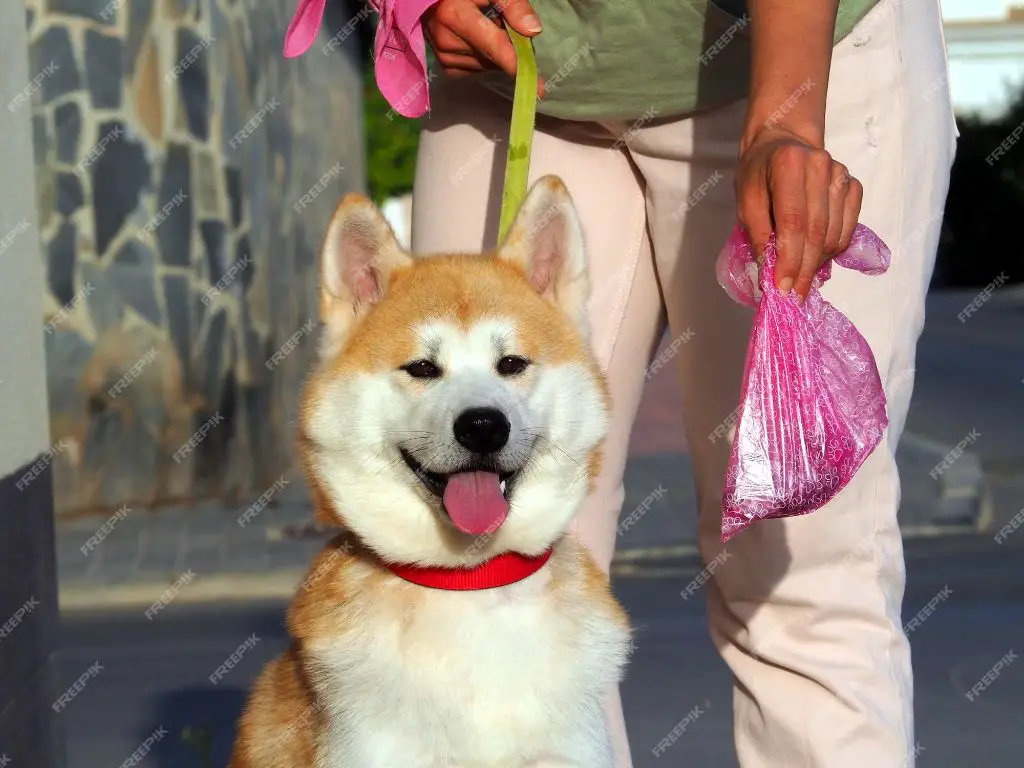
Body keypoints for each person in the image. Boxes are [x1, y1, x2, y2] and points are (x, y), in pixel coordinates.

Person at [286, 0, 957, 765]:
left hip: (787, 64)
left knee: (802, 567)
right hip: (518, 75)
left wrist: (787, 118)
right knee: (483, 551)